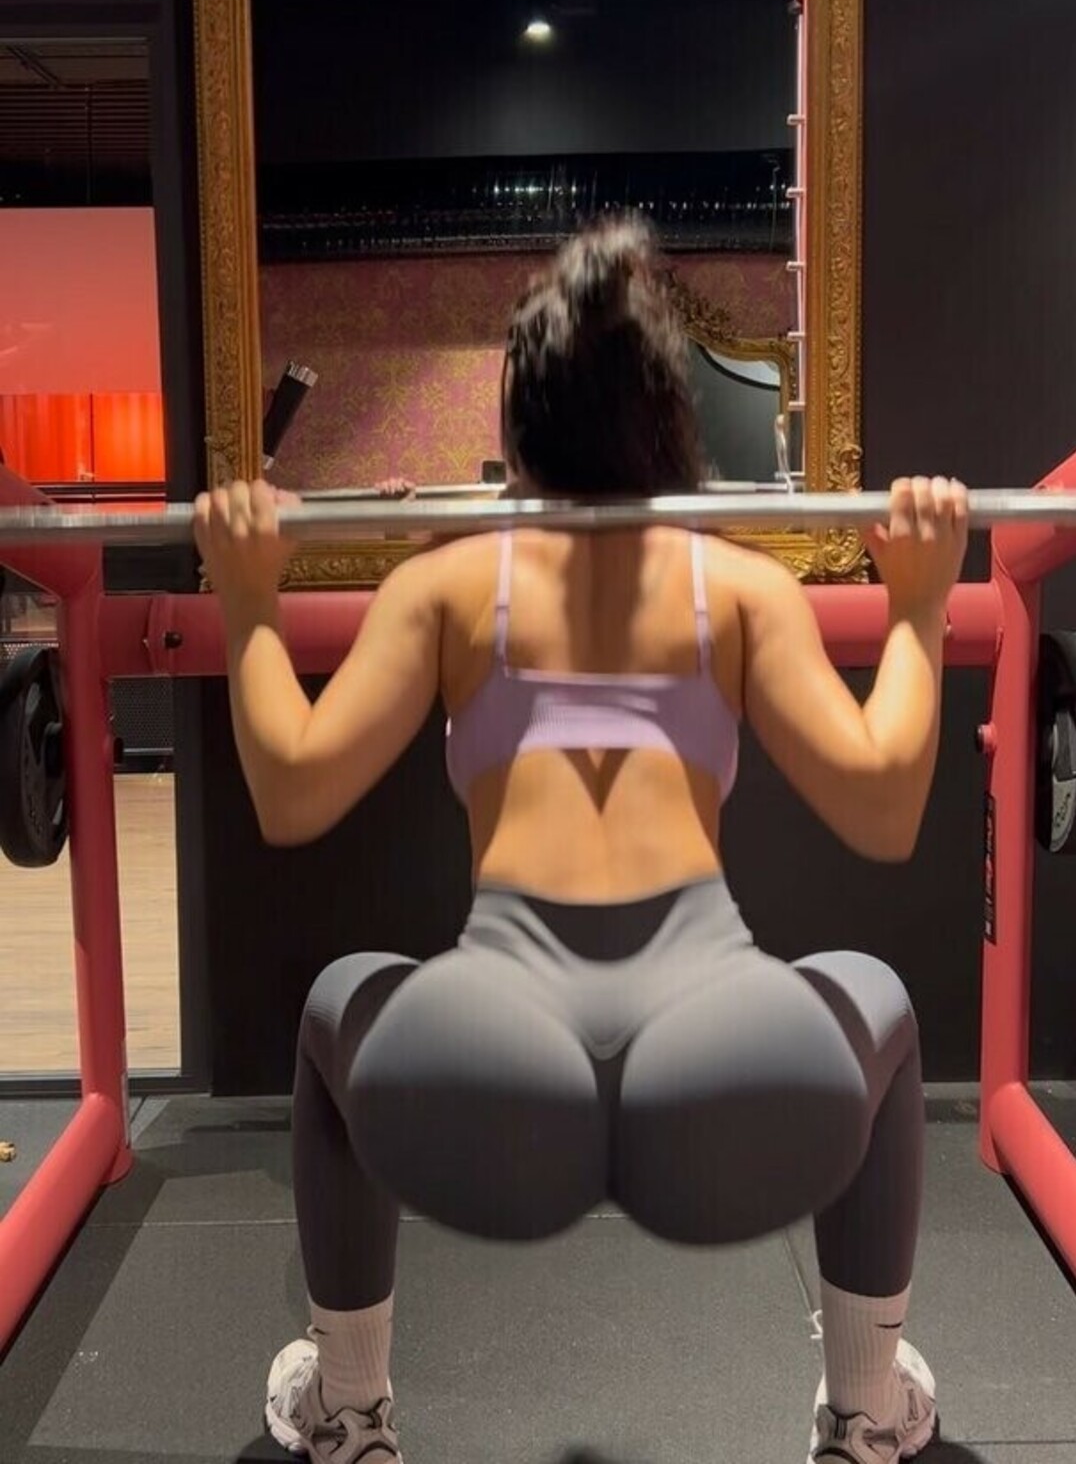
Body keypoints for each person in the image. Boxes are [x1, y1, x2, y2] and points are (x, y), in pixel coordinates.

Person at [194, 218, 968, 1464]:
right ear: (669, 416)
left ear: (518, 424)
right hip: (722, 1063)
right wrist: (919, 610)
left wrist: (249, 603)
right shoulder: (739, 586)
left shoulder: (450, 584)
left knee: (342, 998)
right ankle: (866, 1410)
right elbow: (886, 808)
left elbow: (288, 792)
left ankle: (350, 1408)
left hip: (494, 1069)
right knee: (874, 995)